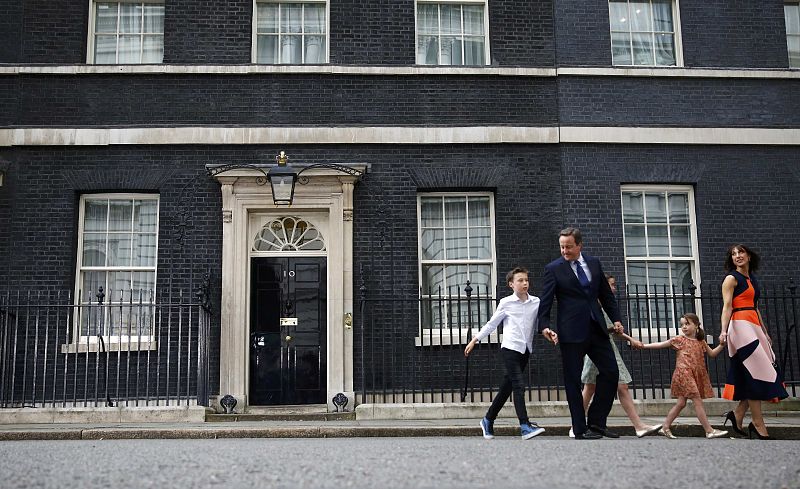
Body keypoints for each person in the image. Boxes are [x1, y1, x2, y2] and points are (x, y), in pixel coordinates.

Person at [538, 227, 623, 440]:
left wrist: (617, 319)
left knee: (611, 372)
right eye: (562, 247)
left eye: (568, 246)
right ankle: (579, 429)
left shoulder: (593, 263)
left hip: (596, 328)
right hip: (571, 331)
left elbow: (606, 295)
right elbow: (545, 302)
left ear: (579, 245)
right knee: (573, 381)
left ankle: (596, 422)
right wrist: (544, 326)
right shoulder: (554, 268)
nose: (564, 251)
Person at [575, 273, 661, 438]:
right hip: (599, 349)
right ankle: (578, 424)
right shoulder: (594, 305)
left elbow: (612, 330)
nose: (613, 288)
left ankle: (638, 426)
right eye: (611, 285)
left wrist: (628, 337)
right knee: (594, 387)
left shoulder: (604, 305)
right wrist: (628, 337)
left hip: (607, 347)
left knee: (599, 387)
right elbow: (601, 329)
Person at [464, 267, 546, 440]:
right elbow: (492, 324)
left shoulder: (536, 302)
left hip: (525, 350)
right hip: (509, 349)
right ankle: (524, 426)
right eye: (520, 280)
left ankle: (487, 419)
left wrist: (547, 332)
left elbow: (540, 324)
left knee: (506, 388)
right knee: (519, 385)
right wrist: (475, 340)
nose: (525, 283)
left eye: (526, 280)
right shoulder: (506, 303)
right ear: (511, 284)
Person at [719, 244, 788, 439]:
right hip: (740, 327)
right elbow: (726, 307)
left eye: (741, 252)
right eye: (733, 254)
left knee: (757, 372)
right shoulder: (731, 279)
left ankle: (738, 414)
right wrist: (723, 331)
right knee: (757, 372)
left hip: (754, 326)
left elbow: (755, 308)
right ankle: (757, 424)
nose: (737, 256)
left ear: (749, 256)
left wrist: (765, 333)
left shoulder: (753, 279)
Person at [632, 313, 728, 439]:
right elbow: (661, 344)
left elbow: (712, 354)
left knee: (681, 403)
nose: (684, 327)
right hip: (684, 374)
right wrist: (644, 346)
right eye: (682, 324)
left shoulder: (701, 341)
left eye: (687, 324)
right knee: (697, 401)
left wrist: (721, 345)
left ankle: (665, 427)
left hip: (695, 374)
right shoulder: (679, 340)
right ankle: (709, 430)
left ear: (697, 325)